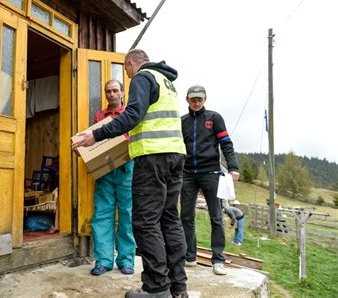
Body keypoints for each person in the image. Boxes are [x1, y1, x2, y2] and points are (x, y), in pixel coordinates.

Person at [73, 49, 188, 298]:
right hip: (174, 156)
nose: (127, 75)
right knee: (169, 219)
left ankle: (157, 288)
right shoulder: (165, 81)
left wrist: (95, 135)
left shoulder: (143, 77)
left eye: (126, 70)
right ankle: (177, 287)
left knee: (145, 222)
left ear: (131, 64)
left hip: (152, 157)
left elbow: (133, 116)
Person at [180, 85, 240, 276]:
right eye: (193, 99)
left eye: (200, 99)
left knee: (216, 216)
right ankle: (190, 256)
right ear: (187, 100)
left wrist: (233, 167)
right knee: (186, 216)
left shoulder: (214, 118)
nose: (196, 102)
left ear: (205, 99)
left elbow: (226, 144)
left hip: (211, 173)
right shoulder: (182, 121)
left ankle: (218, 259)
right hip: (188, 174)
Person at [89, 79, 136, 276]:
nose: (111, 94)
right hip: (105, 171)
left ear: (122, 93)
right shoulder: (99, 116)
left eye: (115, 90)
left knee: (127, 214)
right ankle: (103, 261)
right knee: (102, 214)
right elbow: (94, 142)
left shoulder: (130, 114)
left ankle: (126, 261)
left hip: (126, 168)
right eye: (108, 91)